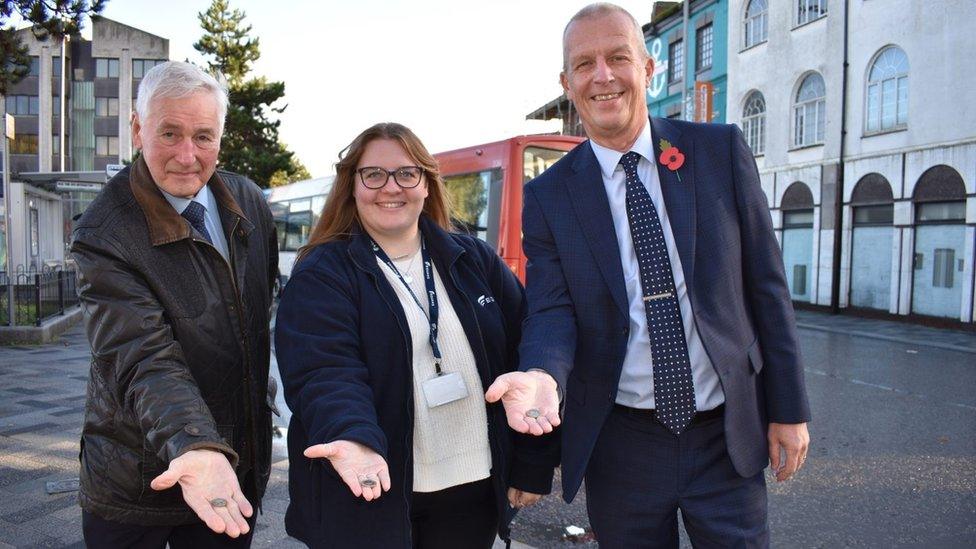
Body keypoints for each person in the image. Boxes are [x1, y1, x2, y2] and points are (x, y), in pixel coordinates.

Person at [485, 3, 811, 547]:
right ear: (567, 82)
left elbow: (767, 287)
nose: (603, 76)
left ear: (647, 68)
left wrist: (790, 409)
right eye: (584, 64)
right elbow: (552, 309)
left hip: (726, 435)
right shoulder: (549, 197)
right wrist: (541, 373)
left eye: (618, 57)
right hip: (622, 445)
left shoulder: (718, 150)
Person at [274, 122, 557, 549]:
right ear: (352, 186)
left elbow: (530, 358)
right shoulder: (323, 273)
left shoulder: (472, 259)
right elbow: (325, 372)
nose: (391, 187)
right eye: (374, 175)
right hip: (372, 485)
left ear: (426, 183)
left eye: (406, 173)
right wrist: (353, 437)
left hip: (472, 489)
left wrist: (533, 462)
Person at [71, 61, 278, 548]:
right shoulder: (104, 232)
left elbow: (260, 316)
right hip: (135, 479)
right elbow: (143, 357)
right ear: (138, 129)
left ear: (220, 139)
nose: (188, 156)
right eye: (170, 133)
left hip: (229, 472)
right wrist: (197, 446)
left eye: (203, 137)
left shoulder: (248, 200)